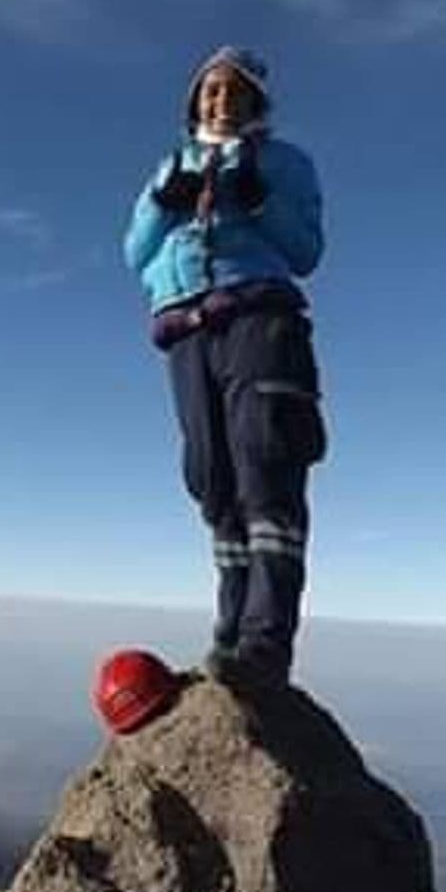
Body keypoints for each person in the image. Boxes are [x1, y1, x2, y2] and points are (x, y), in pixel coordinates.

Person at [123, 46, 328, 688]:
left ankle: (264, 645)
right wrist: (164, 201)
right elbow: (136, 254)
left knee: (264, 455)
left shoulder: (284, 162)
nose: (220, 100)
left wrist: (260, 201)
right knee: (212, 475)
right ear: (195, 105)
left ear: (256, 102)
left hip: (256, 315)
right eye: (209, 91)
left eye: (233, 90)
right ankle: (230, 631)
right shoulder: (169, 168)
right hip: (185, 327)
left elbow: (305, 251)